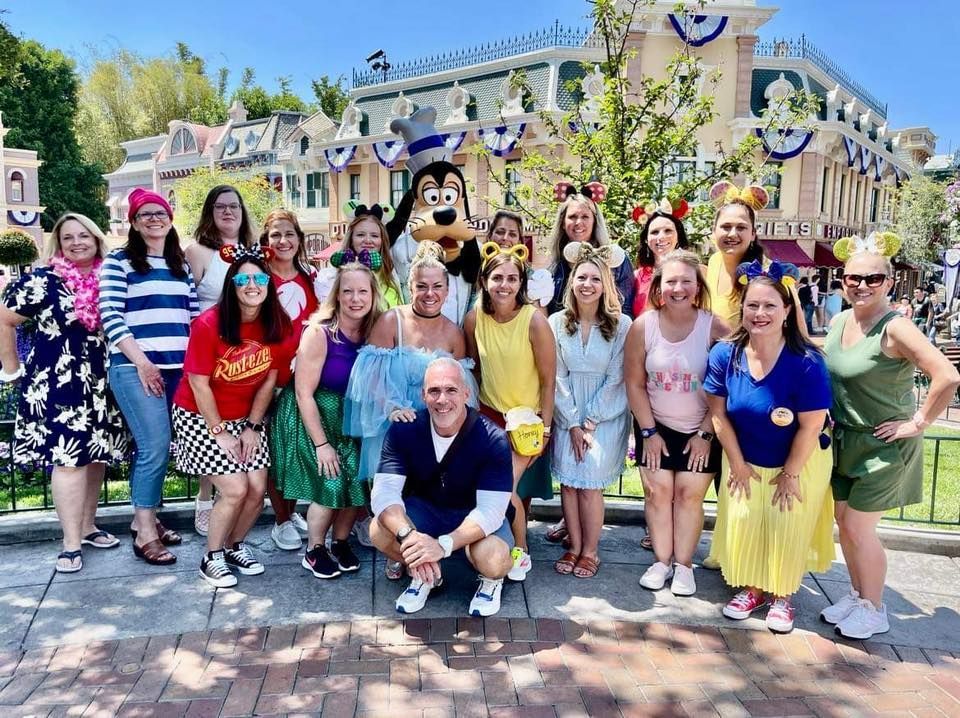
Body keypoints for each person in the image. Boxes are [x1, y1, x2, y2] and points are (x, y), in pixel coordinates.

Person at [824, 232, 960, 639]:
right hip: (845, 441)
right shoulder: (839, 321)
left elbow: (947, 375)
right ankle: (858, 595)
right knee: (844, 524)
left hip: (884, 446)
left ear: (889, 282)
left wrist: (917, 422)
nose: (862, 285)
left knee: (859, 528)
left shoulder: (896, 327)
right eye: (853, 278)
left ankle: (875, 608)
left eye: (873, 279)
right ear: (843, 280)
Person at [704, 260, 834, 633]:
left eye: (770, 306)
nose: (760, 313)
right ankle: (753, 589)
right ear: (742, 308)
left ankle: (782, 596)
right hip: (744, 455)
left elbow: (811, 425)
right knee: (746, 521)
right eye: (753, 305)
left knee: (785, 523)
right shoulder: (724, 355)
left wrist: (790, 473)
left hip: (800, 460)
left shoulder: (807, 362)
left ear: (787, 311)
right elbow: (717, 414)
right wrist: (737, 463)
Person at [0, 213, 128, 573]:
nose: (76, 243)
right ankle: (70, 543)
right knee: (68, 459)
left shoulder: (110, 276)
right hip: (58, 382)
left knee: (96, 456)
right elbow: (4, 319)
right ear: (58, 242)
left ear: (97, 239)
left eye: (83, 236)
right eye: (68, 237)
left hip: (101, 380)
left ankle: (87, 527)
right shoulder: (42, 281)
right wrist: (12, 369)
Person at [343, 241, 476, 579]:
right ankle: (398, 549)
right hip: (396, 424)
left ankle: (425, 544)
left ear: (447, 290)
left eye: (437, 286)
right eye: (422, 286)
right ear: (410, 286)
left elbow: (462, 387)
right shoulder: (392, 321)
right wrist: (390, 406)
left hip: (435, 426)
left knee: (426, 490)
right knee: (395, 490)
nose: (429, 293)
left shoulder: (454, 333)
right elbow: (368, 375)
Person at [172, 246, 290, 587]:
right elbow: (198, 383)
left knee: (257, 489)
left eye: (259, 279)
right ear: (232, 285)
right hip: (200, 415)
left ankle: (233, 545)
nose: (252, 285)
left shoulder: (276, 324)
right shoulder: (209, 324)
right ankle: (211, 557)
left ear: (268, 283)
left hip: (245, 417)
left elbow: (269, 379)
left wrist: (252, 426)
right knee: (236, 489)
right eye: (243, 280)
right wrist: (220, 432)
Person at [369, 358, 514, 616]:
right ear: (423, 395)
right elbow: (384, 493)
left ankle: (491, 582)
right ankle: (427, 573)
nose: (442, 399)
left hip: (475, 515)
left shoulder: (493, 438)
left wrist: (444, 544)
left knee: (492, 558)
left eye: (451, 390)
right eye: (434, 391)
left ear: (466, 393)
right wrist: (409, 536)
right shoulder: (404, 430)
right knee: (378, 530)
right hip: (427, 511)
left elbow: (490, 511)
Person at [100, 188, 199, 566]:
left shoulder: (179, 265)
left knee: (159, 446)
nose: (154, 219)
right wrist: (143, 363)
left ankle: (147, 519)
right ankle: (144, 533)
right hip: (136, 368)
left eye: (161, 213)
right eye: (146, 214)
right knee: (155, 445)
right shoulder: (119, 261)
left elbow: (193, 319)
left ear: (171, 220)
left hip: (177, 368)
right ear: (135, 223)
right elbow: (111, 315)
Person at [625, 250, 729, 596]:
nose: (679, 288)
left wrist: (706, 433)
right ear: (659, 286)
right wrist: (649, 432)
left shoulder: (714, 327)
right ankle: (661, 561)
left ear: (698, 286)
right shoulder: (644, 326)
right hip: (655, 425)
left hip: (701, 430)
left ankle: (684, 565)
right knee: (657, 494)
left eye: (687, 281)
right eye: (671, 281)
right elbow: (635, 384)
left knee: (688, 496)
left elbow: (727, 388)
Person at [271, 258, 381, 579]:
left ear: (373, 295)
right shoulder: (319, 333)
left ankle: (340, 542)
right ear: (337, 295)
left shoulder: (374, 332)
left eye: (362, 291)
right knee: (330, 481)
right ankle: (314, 548)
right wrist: (321, 445)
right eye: (348, 291)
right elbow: (303, 393)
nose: (355, 298)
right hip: (313, 414)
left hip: (350, 416)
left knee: (357, 480)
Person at [465, 242, 556, 583]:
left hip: (527, 422)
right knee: (486, 487)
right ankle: (489, 545)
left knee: (504, 488)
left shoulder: (534, 321)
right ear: (484, 281)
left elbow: (549, 381)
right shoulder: (475, 318)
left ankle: (520, 549)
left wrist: (545, 429)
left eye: (512, 278)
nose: (504, 285)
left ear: (521, 283)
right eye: (498, 278)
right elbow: (474, 368)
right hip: (489, 417)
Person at [549, 243, 631, 579]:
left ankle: (590, 551)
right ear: (572, 283)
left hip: (604, 415)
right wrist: (572, 423)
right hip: (566, 411)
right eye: (581, 277)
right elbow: (556, 376)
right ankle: (574, 545)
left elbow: (617, 377)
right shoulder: (556, 322)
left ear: (605, 285)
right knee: (569, 485)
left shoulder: (622, 325)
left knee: (590, 484)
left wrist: (590, 423)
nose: (587, 284)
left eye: (595, 279)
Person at [184, 185, 257, 537]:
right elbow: (187, 301)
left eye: (234, 206)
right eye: (219, 206)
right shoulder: (197, 251)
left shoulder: (253, 252)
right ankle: (204, 497)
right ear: (209, 213)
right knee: (211, 421)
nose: (228, 212)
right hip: (210, 346)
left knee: (239, 421)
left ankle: (231, 507)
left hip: (247, 350)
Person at [260, 209, 320, 550]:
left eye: (289, 234)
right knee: (274, 450)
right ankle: (280, 519)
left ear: (299, 239)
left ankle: (292, 510)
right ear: (266, 241)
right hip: (267, 377)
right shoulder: (258, 277)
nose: (283, 241)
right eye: (275, 235)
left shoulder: (311, 276)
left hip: (303, 377)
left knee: (295, 447)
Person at [546, 182, 634, 316]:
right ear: (563, 223)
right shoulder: (555, 268)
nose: (578, 222)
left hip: (608, 328)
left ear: (595, 221)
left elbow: (626, 310)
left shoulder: (616, 261)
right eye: (572, 217)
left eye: (585, 217)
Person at [704, 181, 769, 327]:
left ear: (753, 234)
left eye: (741, 227)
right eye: (726, 227)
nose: (732, 234)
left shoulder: (769, 273)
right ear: (714, 231)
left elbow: (797, 329)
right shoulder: (714, 261)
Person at [318, 205, 402, 309]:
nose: (368, 240)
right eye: (360, 235)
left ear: (382, 240)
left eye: (374, 236)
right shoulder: (331, 277)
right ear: (351, 239)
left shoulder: (390, 273)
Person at [630, 200, 690, 315]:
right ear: (646, 239)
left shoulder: (695, 272)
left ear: (678, 236)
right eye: (654, 232)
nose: (661, 237)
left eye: (668, 231)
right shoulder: (636, 277)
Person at [485, 210, 554, 310]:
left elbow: (540, 316)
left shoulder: (533, 279)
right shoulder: (475, 271)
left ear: (519, 241)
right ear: (490, 236)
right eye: (500, 232)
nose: (505, 238)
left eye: (512, 234)